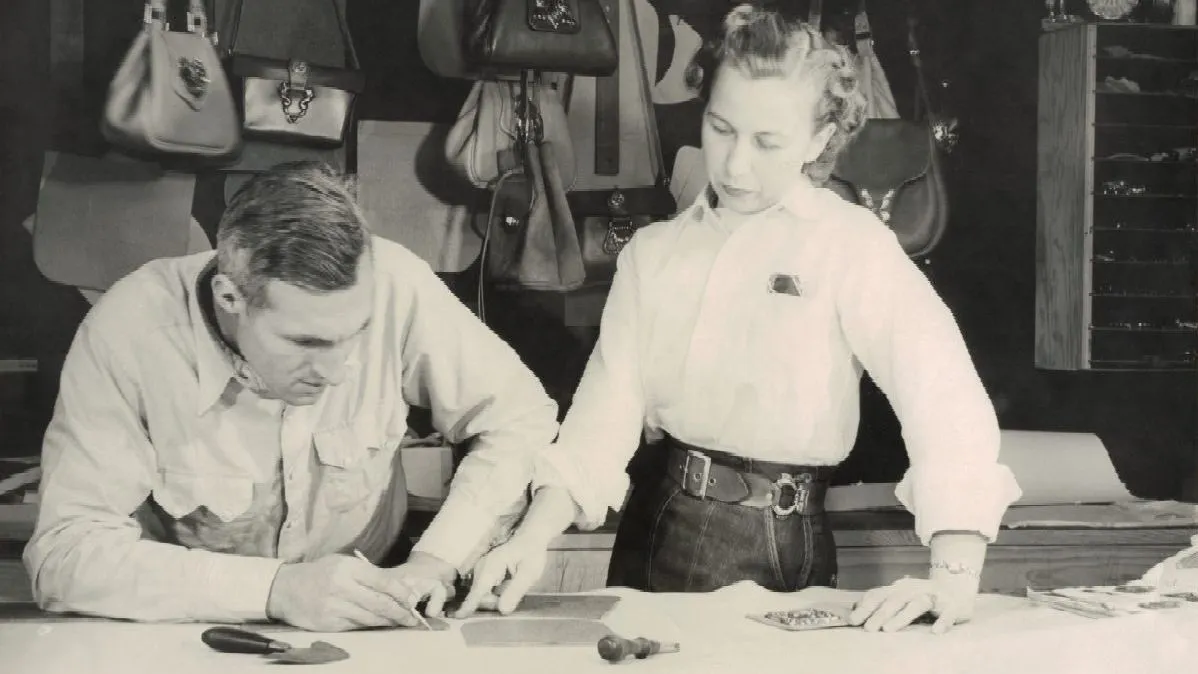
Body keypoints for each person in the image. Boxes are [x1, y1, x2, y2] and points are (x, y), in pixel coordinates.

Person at [451, 5, 1022, 634]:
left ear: (819, 139)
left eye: (767, 142)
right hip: (660, 529)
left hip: (794, 541)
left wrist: (954, 577)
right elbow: (600, 425)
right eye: (721, 129)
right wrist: (531, 540)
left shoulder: (849, 245)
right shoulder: (655, 253)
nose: (735, 165)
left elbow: (943, 394)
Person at [23, 162, 559, 632]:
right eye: (306, 342)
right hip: (192, 631)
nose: (339, 368)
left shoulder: (396, 283)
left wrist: (435, 562)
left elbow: (521, 418)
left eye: (358, 333)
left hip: (380, 622)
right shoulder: (132, 328)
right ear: (230, 297)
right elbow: (65, 554)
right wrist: (277, 590)